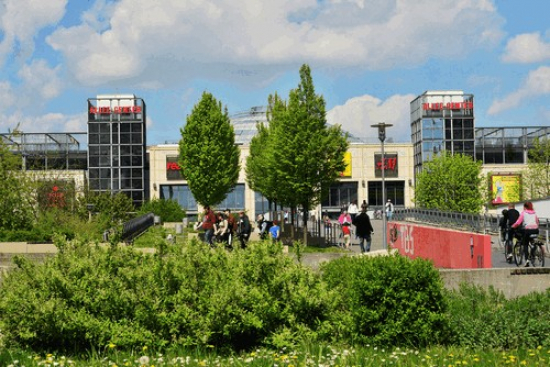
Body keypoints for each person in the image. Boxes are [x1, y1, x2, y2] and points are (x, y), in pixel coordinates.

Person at [511, 202, 539, 267]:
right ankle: (533, 253)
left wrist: (513, 226)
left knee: (525, 244)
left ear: (525, 207)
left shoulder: (524, 213)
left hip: (528, 230)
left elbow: (518, 222)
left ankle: (526, 261)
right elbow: (537, 221)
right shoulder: (534, 213)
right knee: (532, 242)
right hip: (535, 230)